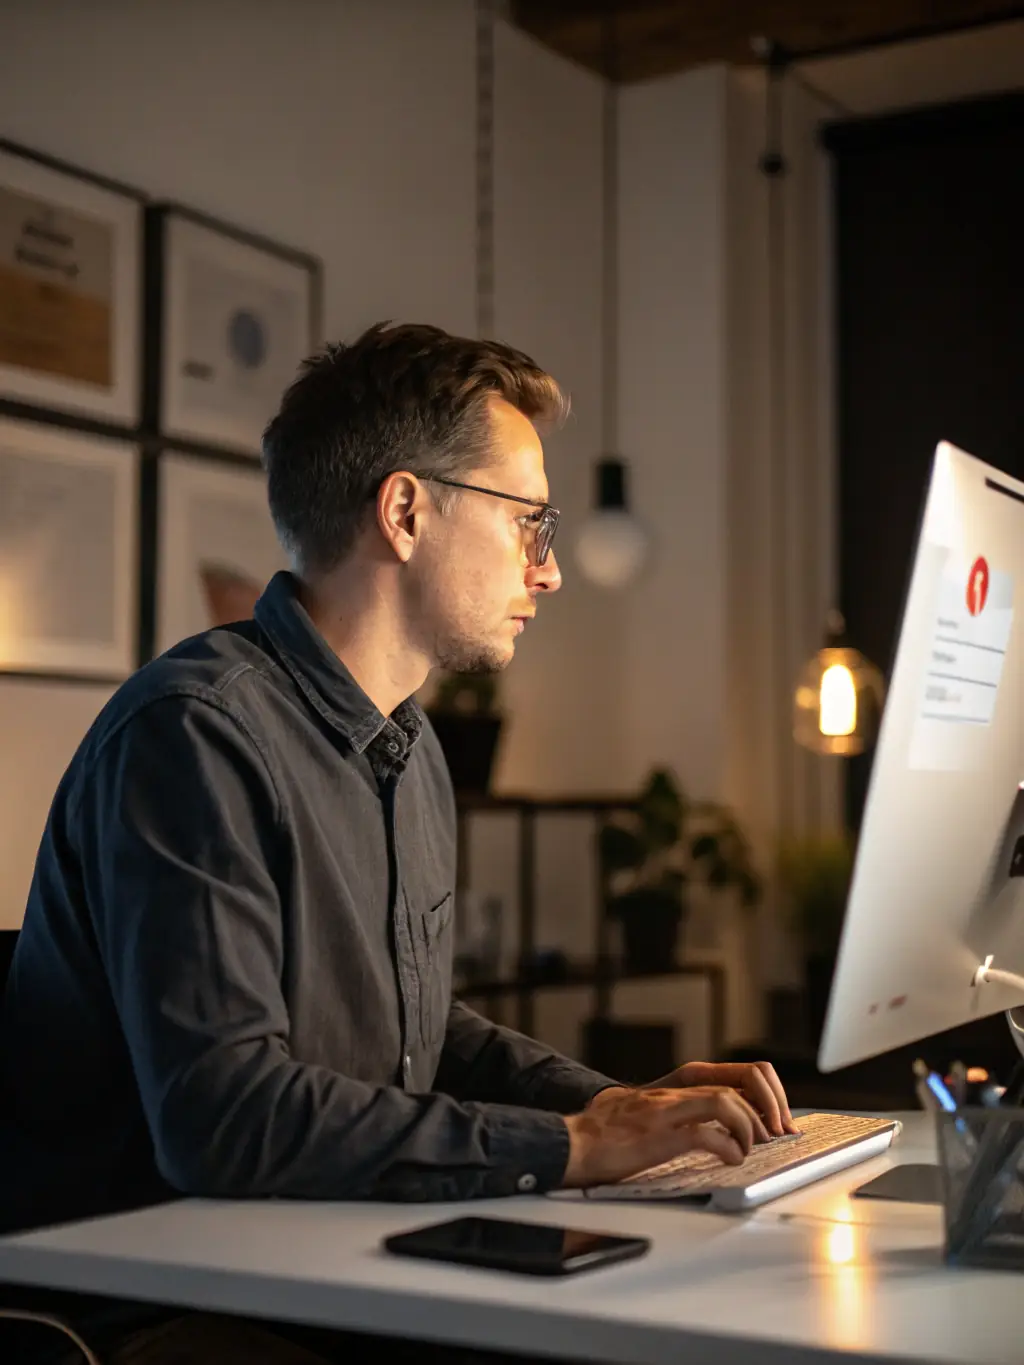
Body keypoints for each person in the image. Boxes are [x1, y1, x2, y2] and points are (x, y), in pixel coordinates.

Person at [0, 323, 794, 1364]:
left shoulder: (409, 749)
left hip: (316, 1249)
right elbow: (224, 1117)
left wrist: (608, 1103)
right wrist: (570, 1149)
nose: (546, 573)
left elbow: (418, 1031)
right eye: (528, 523)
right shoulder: (192, 736)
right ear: (407, 510)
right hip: (152, 1302)